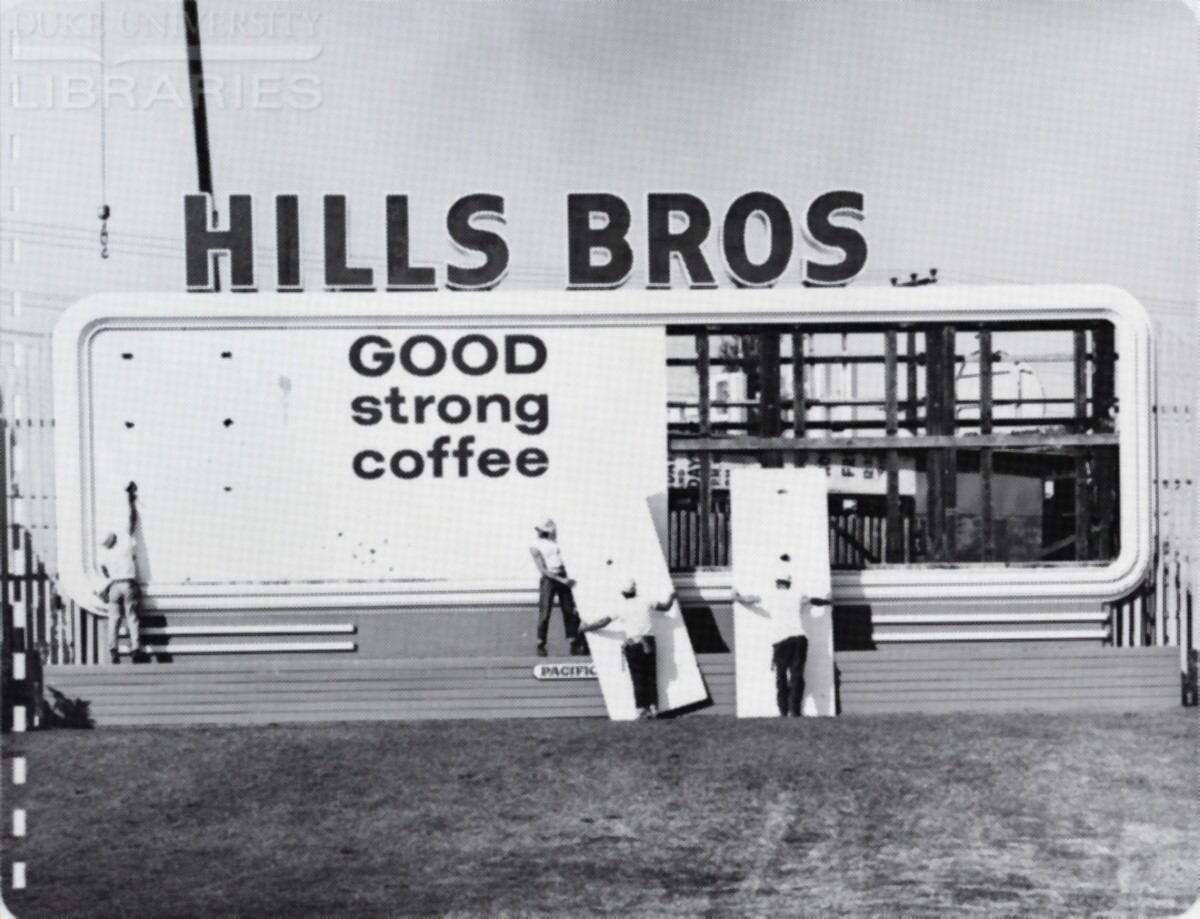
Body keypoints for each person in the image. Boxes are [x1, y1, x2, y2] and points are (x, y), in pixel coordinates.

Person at [733, 552, 831, 717]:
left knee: (781, 677)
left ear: (776, 582)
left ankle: (783, 711)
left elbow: (749, 600)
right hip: (799, 639)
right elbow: (814, 601)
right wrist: (827, 600)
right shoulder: (797, 594)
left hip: (780, 641)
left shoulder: (768, 594)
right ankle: (795, 711)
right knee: (797, 676)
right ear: (789, 583)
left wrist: (737, 597)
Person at [578, 563, 676, 719]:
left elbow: (603, 622)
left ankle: (641, 708)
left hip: (632, 644)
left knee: (637, 677)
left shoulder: (620, 606)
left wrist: (587, 627)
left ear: (622, 593)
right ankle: (653, 707)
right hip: (648, 641)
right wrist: (672, 596)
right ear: (635, 588)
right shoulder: (646, 600)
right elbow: (665, 607)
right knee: (651, 676)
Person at [96, 482, 145, 664]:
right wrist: (130, 500)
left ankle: (113, 649)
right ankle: (135, 648)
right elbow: (131, 520)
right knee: (132, 616)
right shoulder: (124, 542)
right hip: (128, 583)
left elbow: (103, 570)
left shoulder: (106, 554)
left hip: (114, 586)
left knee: (114, 619)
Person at [529, 518, 586, 657]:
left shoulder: (556, 543)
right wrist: (562, 580)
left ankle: (573, 642)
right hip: (550, 579)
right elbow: (543, 569)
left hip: (562, 575)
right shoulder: (535, 546)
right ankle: (541, 644)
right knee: (545, 612)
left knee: (569, 610)